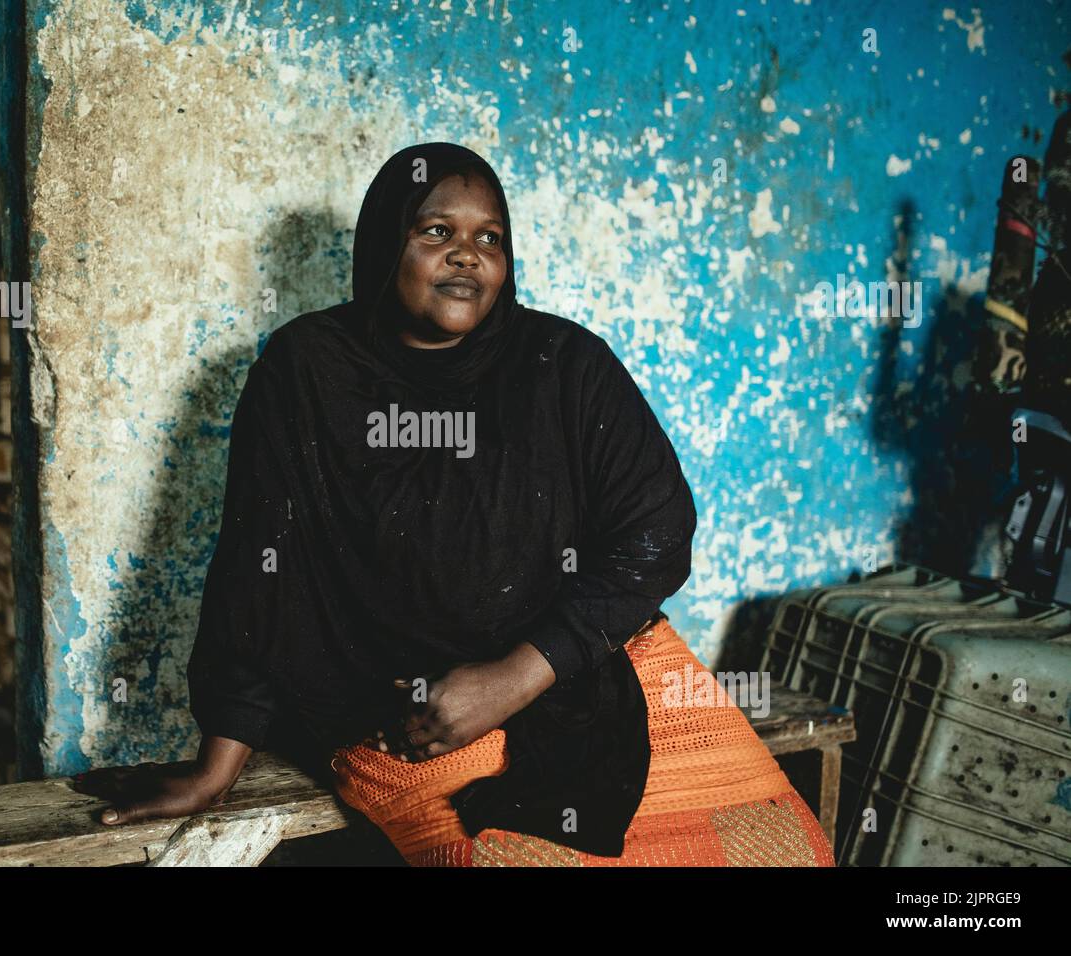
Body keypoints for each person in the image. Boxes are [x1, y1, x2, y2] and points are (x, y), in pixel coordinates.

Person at [77, 142, 835, 867]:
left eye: (489, 238)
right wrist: (216, 769)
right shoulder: (307, 371)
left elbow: (659, 530)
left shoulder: (562, 364)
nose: (466, 254)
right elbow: (260, 573)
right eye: (436, 231)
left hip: (593, 673)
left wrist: (517, 674)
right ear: (384, 246)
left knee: (786, 850)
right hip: (413, 722)